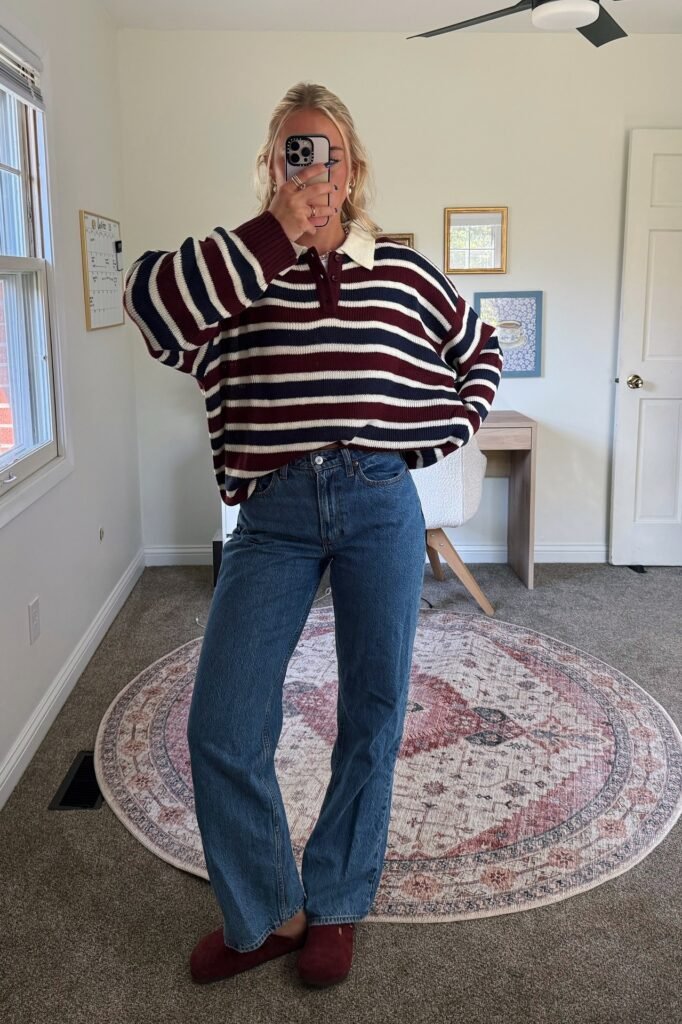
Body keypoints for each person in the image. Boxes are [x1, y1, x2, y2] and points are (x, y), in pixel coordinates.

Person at [123, 81, 503, 989]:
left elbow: (478, 346)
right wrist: (272, 236)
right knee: (222, 719)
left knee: (374, 712)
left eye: (326, 152)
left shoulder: (402, 272)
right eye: (295, 151)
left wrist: (442, 433)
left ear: (353, 167)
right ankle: (268, 912)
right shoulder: (237, 269)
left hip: (379, 502)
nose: (313, 169)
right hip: (274, 514)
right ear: (272, 166)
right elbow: (152, 309)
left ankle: (334, 903)